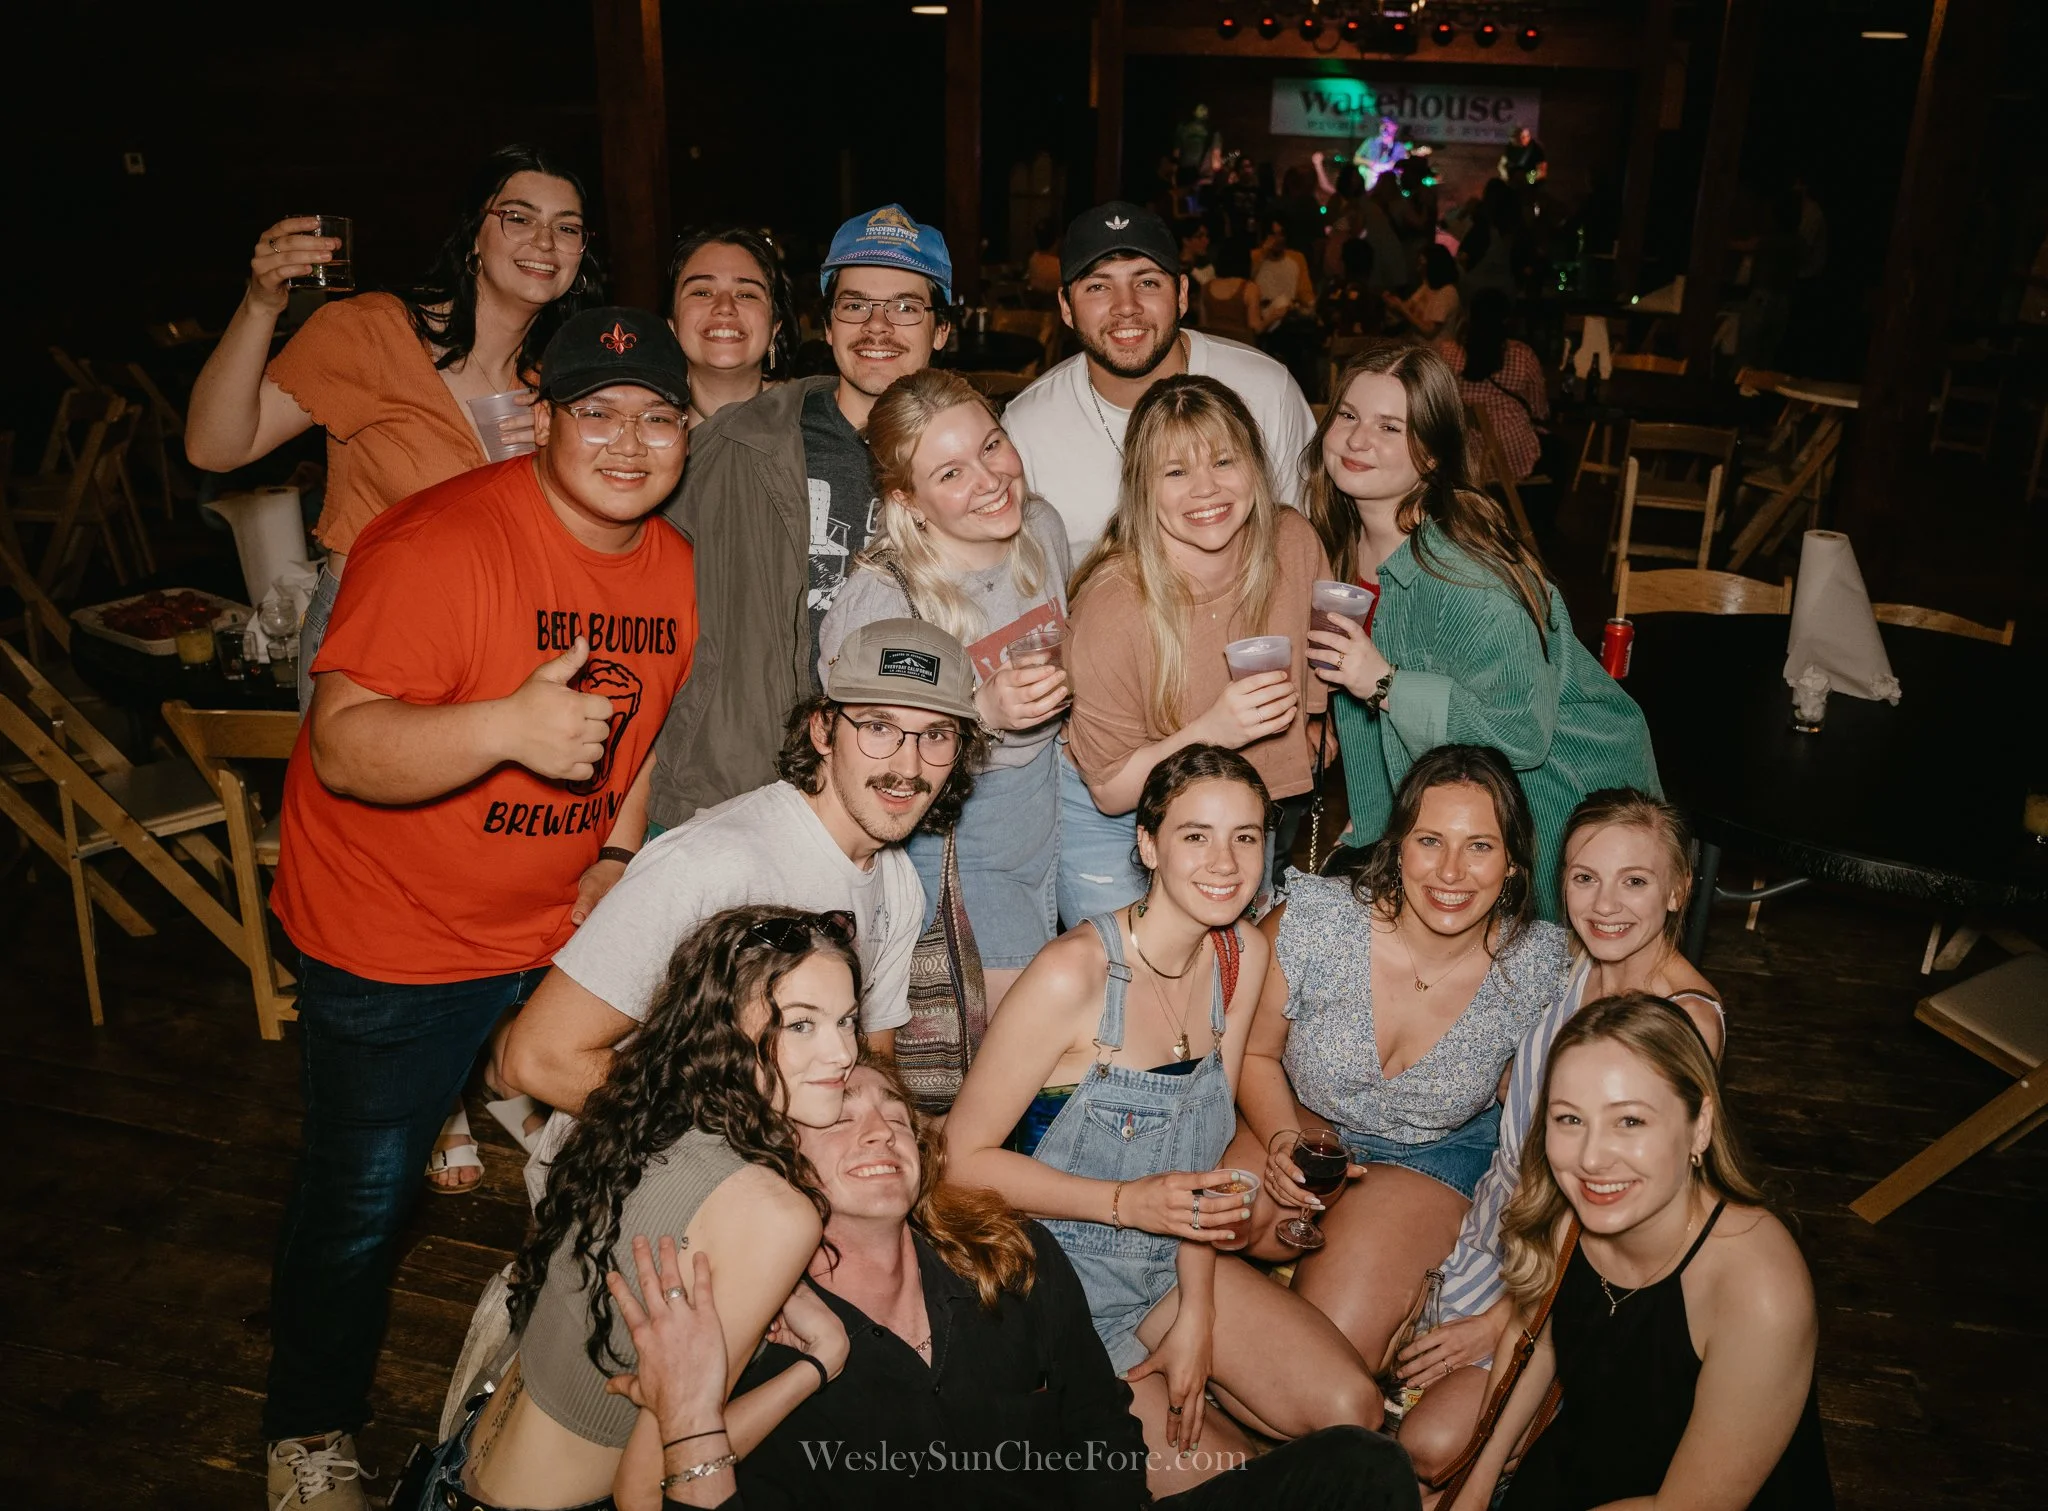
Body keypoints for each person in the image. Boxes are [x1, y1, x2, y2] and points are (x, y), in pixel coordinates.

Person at [261, 306, 695, 1510]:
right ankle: (307, 1431)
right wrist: (504, 725)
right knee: (363, 1197)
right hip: (389, 932)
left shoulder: (670, 562)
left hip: (554, 921)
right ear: (542, 419)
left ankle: (544, 1380)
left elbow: (640, 722)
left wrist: (612, 850)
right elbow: (344, 747)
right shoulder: (436, 541)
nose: (627, 441)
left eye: (656, 416)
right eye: (596, 411)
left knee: (612, 1148)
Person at [948, 748, 1379, 1496]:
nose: (1225, 861)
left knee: (1355, 1409)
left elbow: (1206, 1159)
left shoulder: (1240, 954)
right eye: (1195, 835)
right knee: (1230, 1480)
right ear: (1148, 844)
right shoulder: (1072, 973)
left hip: (1173, 1261)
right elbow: (958, 1160)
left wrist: (1200, 1313)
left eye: (1246, 837)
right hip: (1061, 1282)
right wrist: (1126, 1202)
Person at [736, 1060, 1423, 1510]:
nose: (879, 1130)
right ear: (780, 1155)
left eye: (892, 1111)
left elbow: (1103, 1419)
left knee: (1361, 1466)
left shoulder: (1006, 1253)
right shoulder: (772, 1337)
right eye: (838, 1116)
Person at [496, 619, 987, 1194]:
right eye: (879, 727)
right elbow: (536, 1059)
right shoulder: (714, 863)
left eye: (936, 735)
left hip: (772, 1170)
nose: (907, 767)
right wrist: (749, 1139)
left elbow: (870, 1067)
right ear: (823, 730)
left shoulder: (897, 880)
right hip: (632, 1175)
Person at [427, 906, 861, 1511]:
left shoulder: (647, 1110)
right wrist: (818, 1364)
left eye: (847, 1020)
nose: (844, 1053)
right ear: (726, 1027)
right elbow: (654, 1480)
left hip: (457, 1468)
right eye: (802, 1025)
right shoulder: (777, 1214)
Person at [187, 144, 598, 712]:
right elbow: (215, 447)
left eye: (567, 227)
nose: (545, 242)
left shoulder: (560, 375)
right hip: (369, 643)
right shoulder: (375, 333)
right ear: (474, 235)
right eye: (519, 217)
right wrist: (261, 305)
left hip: (494, 642)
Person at [1398, 788, 1723, 1481]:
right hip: (1494, 1227)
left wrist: (1501, 1321)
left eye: (1634, 880)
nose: (1605, 904)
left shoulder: (1680, 1018)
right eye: (1585, 878)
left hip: (1565, 1282)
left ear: (1678, 890)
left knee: (1429, 1446)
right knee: (1352, 1380)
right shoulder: (1574, 964)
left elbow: (1616, 1214)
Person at [1222, 747, 1570, 1390]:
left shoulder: (1540, 969)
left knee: (1323, 1364)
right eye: (1430, 840)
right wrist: (1277, 1139)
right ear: (1398, 846)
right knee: (1208, 1223)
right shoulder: (1320, 920)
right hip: (1302, 1114)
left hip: (1429, 1154)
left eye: (1480, 847)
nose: (1451, 872)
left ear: (1514, 864)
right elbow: (1256, 1051)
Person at [1300, 342, 1658, 920]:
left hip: (1569, 801)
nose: (1358, 440)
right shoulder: (1345, 549)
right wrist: (1369, 830)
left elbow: (1520, 734)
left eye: (1391, 427)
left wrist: (1386, 682)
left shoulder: (1470, 580)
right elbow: (1367, 717)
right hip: (1469, 808)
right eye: (1348, 416)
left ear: (1434, 454)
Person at [1447, 994, 1833, 1509]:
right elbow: (1537, 1342)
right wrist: (1474, 1486)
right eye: (1569, 1119)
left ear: (1700, 1123)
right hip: (1578, 1470)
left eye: (1629, 1121)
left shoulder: (1760, 1290)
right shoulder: (1574, 1215)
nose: (1591, 1158)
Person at [645, 205, 954, 834]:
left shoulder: (980, 459)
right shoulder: (739, 441)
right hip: (740, 787)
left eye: (905, 307)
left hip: (906, 789)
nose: (878, 327)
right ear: (825, 322)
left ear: (942, 329)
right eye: (855, 305)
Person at [818, 370, 1073, 1011]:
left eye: (991, 445)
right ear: (907, 500)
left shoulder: (1040, 526)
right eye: (950, 473)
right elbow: (862, 763)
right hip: (960, 838)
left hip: (1059, 808)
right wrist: (980, 710)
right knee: (1014, 1054)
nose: (990, 481)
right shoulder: (883, 602)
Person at [1061, 375, 1330, 922]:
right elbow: (1110, 791)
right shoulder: (1113, 606)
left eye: (1224, 462)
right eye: (1176, 472)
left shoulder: (1293, 542)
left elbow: (1321, 698)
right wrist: (1217, 731)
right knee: (1144, 987)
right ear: (1142, 487)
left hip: (1255, 811)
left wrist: (1304, 749)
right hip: (1122, 817)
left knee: (1233, 979)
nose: (1206, 490)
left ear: (1255, 466)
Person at [1002, 200, 1314, 557]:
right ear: (1066, 306)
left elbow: (1304, 545)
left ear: (1181, 295)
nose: (1126, 306)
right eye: (1098, 287)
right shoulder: (1026, 429)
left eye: (1147, 282)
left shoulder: (1265, 390)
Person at [666, 225, 797, 428]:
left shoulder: (813, 421)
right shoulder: (638, 432)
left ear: (774, 328)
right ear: (672, 324)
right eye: (702, 292)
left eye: (746, 295)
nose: (725, 307)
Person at [1436, 290, 1548, 481]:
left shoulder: (1448, 354)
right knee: (1559, 452)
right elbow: (1540, 410)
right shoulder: (1522, 355)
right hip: (1512, 455)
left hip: (1464, 457)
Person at [1384, 245, 1461, 341]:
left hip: (1434, 350)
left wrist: (1401, 308)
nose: (1418, 269)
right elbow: (1408, 307)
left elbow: (1429, 332)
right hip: (1415, 343)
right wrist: (1393, 303)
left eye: (1422, 265)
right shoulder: (1426, 287)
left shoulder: (1447, 292)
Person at [1196, 239, 1261, 340]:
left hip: (1214, 346)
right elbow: (1255, 327)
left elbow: (1203, 326)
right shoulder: (1250, 288)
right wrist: (1275, 315)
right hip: (1241, 346)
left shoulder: (1206, 288)